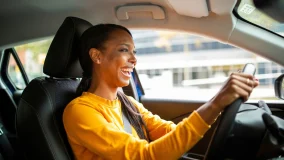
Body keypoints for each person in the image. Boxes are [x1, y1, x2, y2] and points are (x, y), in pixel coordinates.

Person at [63, 24, 259, 160]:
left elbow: (171, 134)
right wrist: (216, 102)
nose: (134, 59)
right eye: (124, 50)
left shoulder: (128, 103)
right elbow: (146, 156)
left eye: (134, 52)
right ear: (96, 56)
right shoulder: (80, 111)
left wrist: (219, 107)